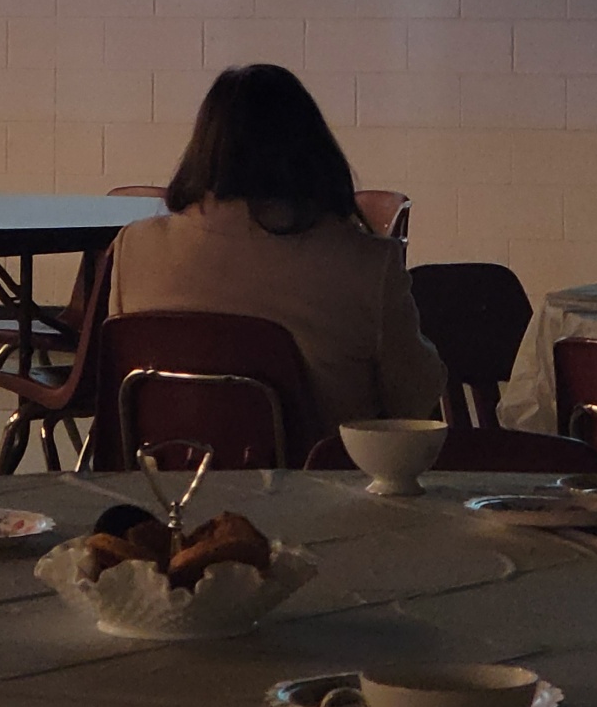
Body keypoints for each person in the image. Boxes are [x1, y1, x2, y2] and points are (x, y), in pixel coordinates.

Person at [109, 63, 444, 438]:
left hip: (174, 468)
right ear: (312, 148)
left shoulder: (134, 249)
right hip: (318, 472)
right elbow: (415, 399)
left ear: (204, 148)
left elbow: (120, 389)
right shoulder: (368, 265)